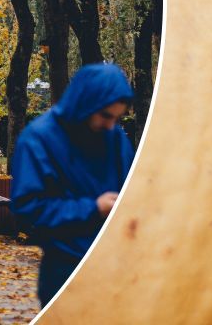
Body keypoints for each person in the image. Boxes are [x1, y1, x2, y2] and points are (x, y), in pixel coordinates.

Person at [10, 63, 136, 307]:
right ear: (85, 104)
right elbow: (28, 210)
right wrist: (93, 208)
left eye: (117, 118)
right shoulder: (39, 139)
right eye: (105, 116)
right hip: (65, 269)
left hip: (116, 268)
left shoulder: (115, 138)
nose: (111, 125)